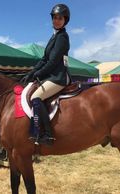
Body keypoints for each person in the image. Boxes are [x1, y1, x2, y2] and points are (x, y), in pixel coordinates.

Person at [21, 4, 71, 145]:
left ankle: (48, 135)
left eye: (59, 18)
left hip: (58, 76)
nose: (56, 20)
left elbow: (53, 61)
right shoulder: (54, 37)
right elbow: (44, 59)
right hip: (52, 75)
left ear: (65, 20)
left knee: (36, 97)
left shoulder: (62, 37)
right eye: (54, 18)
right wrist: (31, 73)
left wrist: (39, 73)